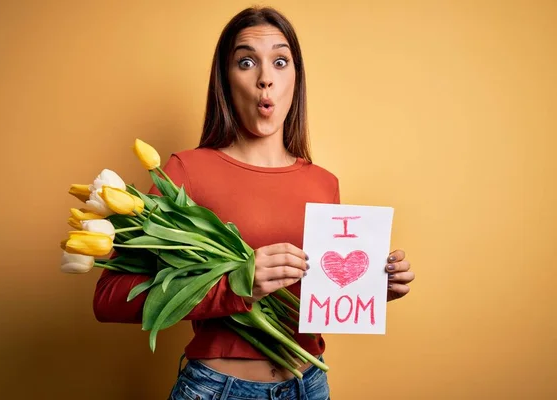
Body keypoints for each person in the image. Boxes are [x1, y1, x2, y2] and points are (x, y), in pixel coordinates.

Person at [93, 6, 415, 400]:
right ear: (225, 81)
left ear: (296, 79)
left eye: (280, 62)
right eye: (246, 62)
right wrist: (236, 283)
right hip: (219, 390)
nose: (266, 78)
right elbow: (109, 299)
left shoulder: (324, 183)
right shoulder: (186, 172)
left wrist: (371, 287)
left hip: (309, 386)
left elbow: (315, 299)